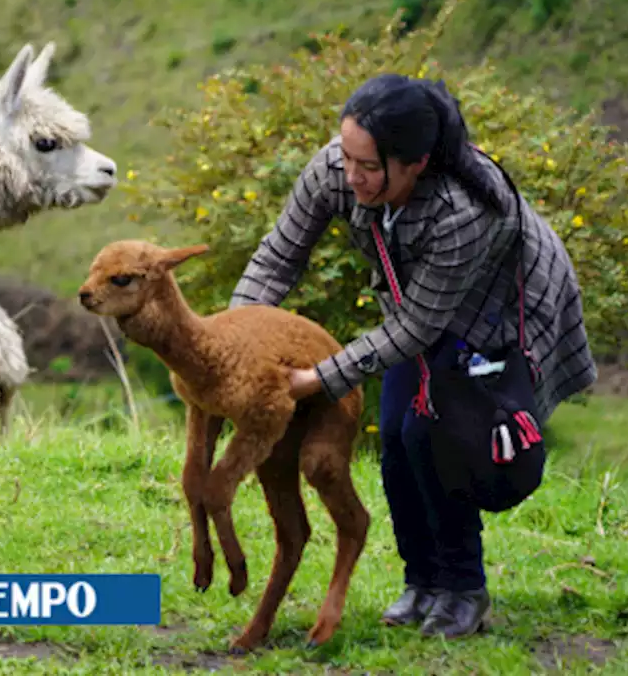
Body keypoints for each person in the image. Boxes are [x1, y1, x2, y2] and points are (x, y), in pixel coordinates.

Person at [228, 74, 597, 638]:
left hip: (498, 307)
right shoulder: (339, 166)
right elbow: (280, 257)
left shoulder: (464, 209)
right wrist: (236, 340)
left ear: (416, 162)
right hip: (416, 304)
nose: (351, 176)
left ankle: (463, 588)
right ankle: (421, 580)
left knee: (436, 433)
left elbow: (418, 328)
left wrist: (314, 380)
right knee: (396, 435)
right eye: (347, 157)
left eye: (369, 167)